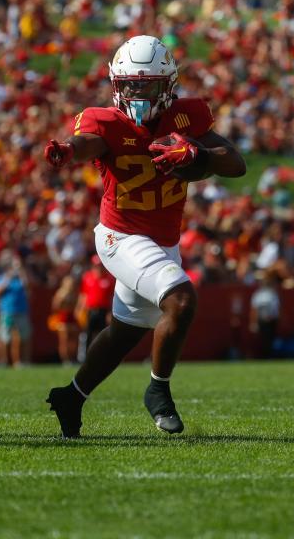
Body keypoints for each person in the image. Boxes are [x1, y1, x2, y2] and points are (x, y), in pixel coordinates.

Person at [44, 34, 246, 437]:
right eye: (129, 84)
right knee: (182, 299)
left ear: (167, 85)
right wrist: (68, 150)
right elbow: (88, 143)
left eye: (146, 84)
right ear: (116, 86)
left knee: (126, 331)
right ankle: (158, 391)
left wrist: (198, 156)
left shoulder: (187, 116)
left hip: (162, 241)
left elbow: (235, 164)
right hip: (120, 236)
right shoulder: (105, 120)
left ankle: (72, 396)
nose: (137, 92)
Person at [0, 252, 32, 367]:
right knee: (5, 337)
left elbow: (28, 286)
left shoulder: (22, 277)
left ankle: (23, 362)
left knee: (24, 337)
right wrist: (8, 277)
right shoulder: (2, 277)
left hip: (21, 311)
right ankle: (4, 361)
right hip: (7, 312)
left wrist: (21, 272)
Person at [76, 255, 114, 355]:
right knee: (88, 334)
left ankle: (102, 355)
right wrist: (79, 309)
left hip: (103, 311)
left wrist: (110, 312)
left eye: (100, 265)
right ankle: (86, 356)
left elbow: (112, 297)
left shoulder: (109, 278)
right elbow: (83, 295)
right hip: (90, 310)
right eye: (96, 266)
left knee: (103, 335)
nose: (99, 268)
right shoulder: (87, 277)